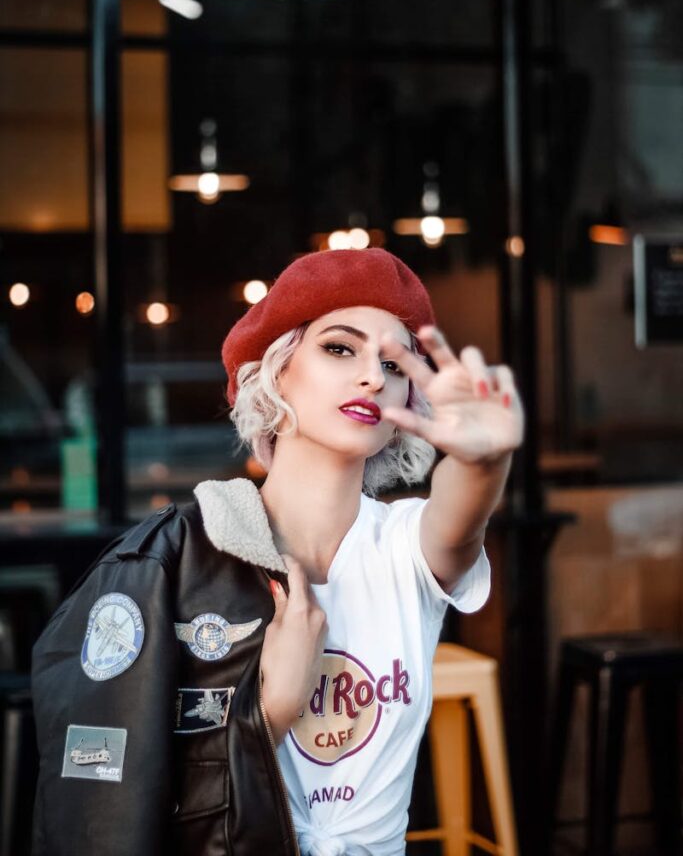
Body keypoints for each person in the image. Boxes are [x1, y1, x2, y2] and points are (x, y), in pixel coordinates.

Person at [31, 247, 523, 856]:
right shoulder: (183, 557)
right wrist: (269, 711)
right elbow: (115, 788)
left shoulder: (404, 545)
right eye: (340, 348)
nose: (372, 375)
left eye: (395, 363)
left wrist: (485, 460)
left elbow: (460, 518)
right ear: (276, 369)